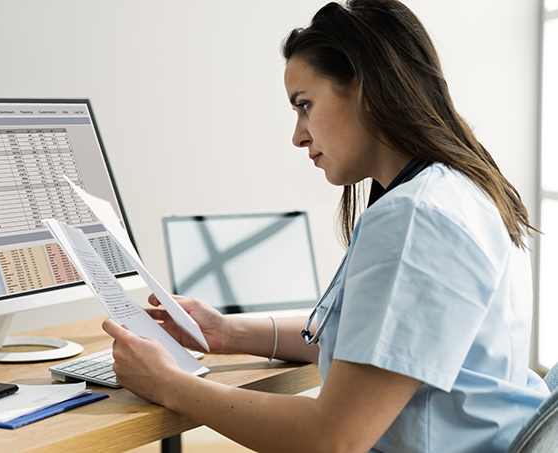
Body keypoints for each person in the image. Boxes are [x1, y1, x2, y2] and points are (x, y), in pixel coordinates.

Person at [102, 1, 551, 452]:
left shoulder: (417, 218)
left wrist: (168, 383)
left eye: (304, 105)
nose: (298, 134)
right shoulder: (459, 188)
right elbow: (380, 347)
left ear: (366, 89)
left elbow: (331, 437)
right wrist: (224, 333)